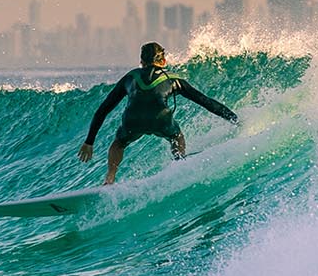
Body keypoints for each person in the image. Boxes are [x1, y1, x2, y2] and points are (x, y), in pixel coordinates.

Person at [78, 42, 239, 185]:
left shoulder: (130, 77)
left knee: (119, 143)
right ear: (163, 61)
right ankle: (179, 165)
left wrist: (89, 141)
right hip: (161, 120)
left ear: (141, 62)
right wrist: (234, 118)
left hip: (133, 121)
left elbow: (103, 109)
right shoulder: (173, 79)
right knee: (176, 137)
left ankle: (110, 178)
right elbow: (206, 101)